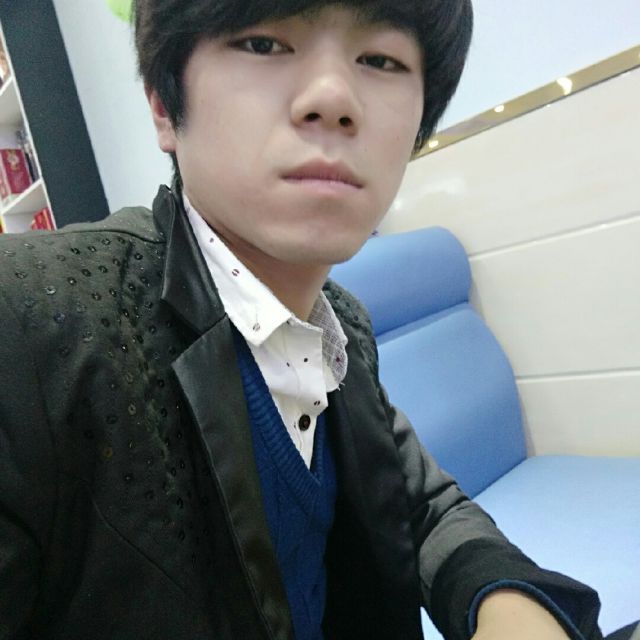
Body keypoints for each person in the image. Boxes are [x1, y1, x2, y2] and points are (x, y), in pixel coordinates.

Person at [0, 1, 605, 638]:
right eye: (263, 44)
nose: (334, 98)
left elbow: (418, 503)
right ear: (162, 105)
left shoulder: (341, 329)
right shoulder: (32, 328)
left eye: (381, 60)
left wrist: (508, 601)